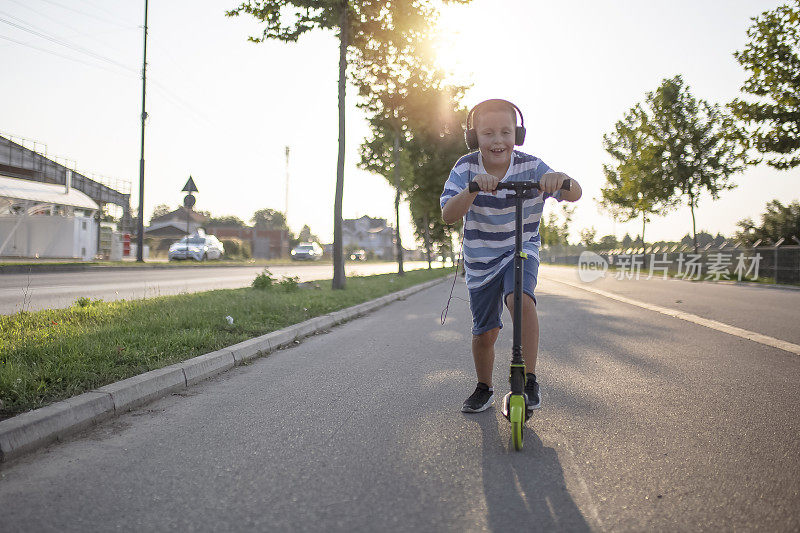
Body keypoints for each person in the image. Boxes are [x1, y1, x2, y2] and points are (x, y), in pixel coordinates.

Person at [440, 99, 582, 413]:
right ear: (474, 136)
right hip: (480, 261)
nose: (498, 140)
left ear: (517, 134)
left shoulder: (532, 165)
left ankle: (528, 380)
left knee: (520, 297)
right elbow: (449, 213)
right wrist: (474, 189)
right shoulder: (465, 168)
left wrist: (559, 178)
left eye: (506, 132)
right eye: (488, 133)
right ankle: (484, 386)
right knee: (485, 332)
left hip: (520, 248)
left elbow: (575, 193)